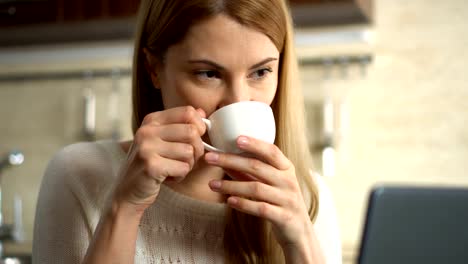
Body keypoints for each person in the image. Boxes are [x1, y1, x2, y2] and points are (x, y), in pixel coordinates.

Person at [32, 0, 342, 263]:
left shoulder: (307, 198)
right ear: (154, 69)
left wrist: (300, 241)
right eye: (208, 74)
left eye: (260, 72)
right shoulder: (80, 175)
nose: (237, 101)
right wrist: (124, 208)